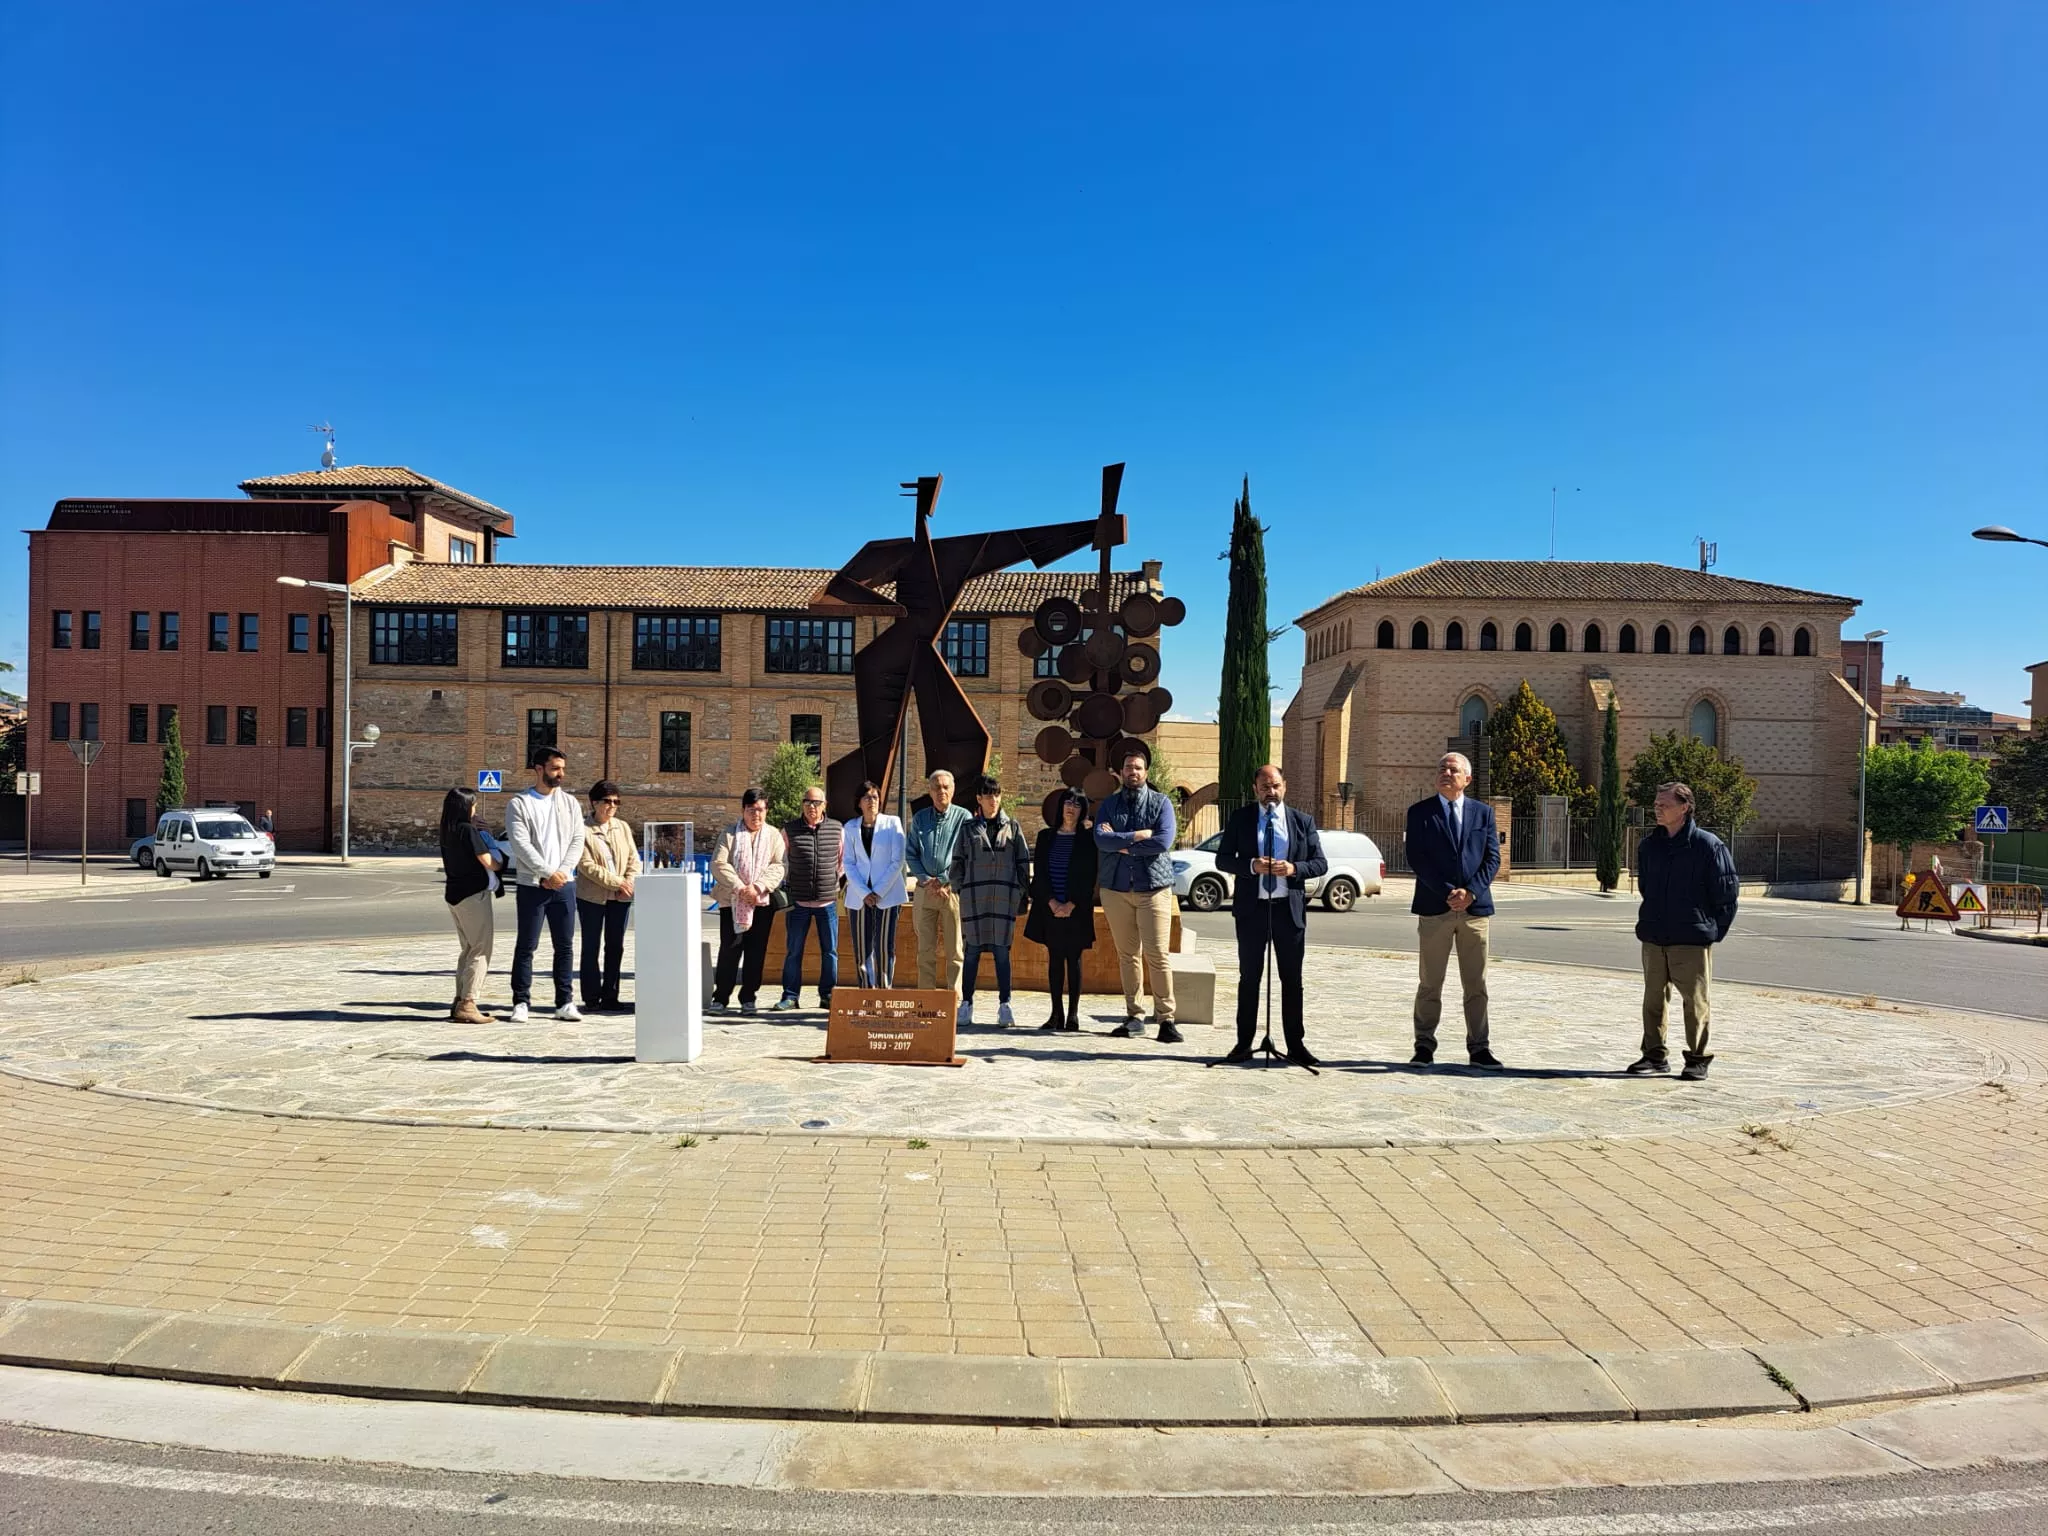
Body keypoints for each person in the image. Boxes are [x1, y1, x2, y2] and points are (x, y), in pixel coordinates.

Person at [1213, 765, 1328, 1064]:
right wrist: (1251, 865)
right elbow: (1222, 859)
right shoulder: (1241, 819)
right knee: (1249, 978)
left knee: (1292, 981)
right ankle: (1242, 1043)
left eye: (1275, 785)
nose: (1270, 791)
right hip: (1252, 911)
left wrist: (1293, 869)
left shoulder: (1301, 822)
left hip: (1287, 912)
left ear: (1285, 786)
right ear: (1255, 789)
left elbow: (1320, 863)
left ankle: (1296, 1045)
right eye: (1265, 786)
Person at [1632, 780, 1740, 1081]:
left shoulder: (1708, 846)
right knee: (1653, 1000)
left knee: (1695, 1002)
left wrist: (1712, 931)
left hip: (1691, 939)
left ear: (1685, 807)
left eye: (1664, 804)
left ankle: (1697, 1058)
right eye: (1656, 803)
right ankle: (1653, 1056)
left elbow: (1727, 893)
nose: (1658, 808)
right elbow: (1646, 888)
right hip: (1654, 936)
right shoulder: (1649, 846)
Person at [1407, 751, 1502, 1068]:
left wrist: (1471, 892)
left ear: (1467, 779)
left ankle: (1479, 1048)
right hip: (1436, 908)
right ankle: (1424, 1046)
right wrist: (1449, 892)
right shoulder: (1419, 812)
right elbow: (1417, 859)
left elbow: (1492, 859)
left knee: (1476, 984)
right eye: (1441, 768)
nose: (1445, 772)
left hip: (1475, 912)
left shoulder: (1484, 814)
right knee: (1430, 983)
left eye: (1453, 769)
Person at [1093, 748, 1180, 1042]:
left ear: (1146, 772)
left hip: (1153, 889)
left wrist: (1124, 845)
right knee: (1127, 955)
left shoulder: (1161, 804)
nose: (1133, 772)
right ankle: (1134, 1015)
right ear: (1121, 772)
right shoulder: (1109, 805)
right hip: (1116, 889)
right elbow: (1101, 839)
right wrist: (1137, 836)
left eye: (1138, 767)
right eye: (1129, 767)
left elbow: (1163, 841)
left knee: (1157, 954)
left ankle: (1166, 1018)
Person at [505, 745, 586, 1025]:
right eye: (555, 768)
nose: (560, 774)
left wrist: (562, 872)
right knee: (527, 945)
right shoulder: (520, 803)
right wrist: (546, 872)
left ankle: (564, 1002)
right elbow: (520, 844)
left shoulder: (570, 804)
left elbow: (578, 840)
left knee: (564, 946)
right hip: (533, 885)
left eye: (562, 768)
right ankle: (521, 1001)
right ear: (539, 769)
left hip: (565, 885)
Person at [950, 774, 1032, 1026]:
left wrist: (1019, 892)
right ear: (979, 799)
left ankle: (1005, 1005)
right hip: (974, 898)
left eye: (996, 795)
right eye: (987, 795)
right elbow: (957, 863)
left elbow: (1022, 862)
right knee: (972, 951)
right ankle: (967, 1004)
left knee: (1002, 953)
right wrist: (961, 889)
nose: (992, 800)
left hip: (1003, 900)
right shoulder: (967, 829)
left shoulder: (1013, 827)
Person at [1025, 789, 1098, 1032]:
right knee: (1055, 959)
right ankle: (1056, 1013)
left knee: (1074, 959)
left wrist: (1071, 904)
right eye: (1068, 802)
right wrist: (1052, 902)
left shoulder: (1087, 839)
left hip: (1075, 910)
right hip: (1051, 908)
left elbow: (1089, 876)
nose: (1071, 807)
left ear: (1082, 811)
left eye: (1077, 804)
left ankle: (1073, 1016)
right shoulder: (1046, 837)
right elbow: (1041, 874)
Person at [710, 787, 787, 1015]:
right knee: (730, 949)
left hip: (761, 903)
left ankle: (748, 997)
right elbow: (718, 863)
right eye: (752, 810)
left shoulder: (773, 835)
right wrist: (740, 887)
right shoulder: (730, 833)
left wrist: (757, 887)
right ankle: (721, 997)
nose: (757, 815)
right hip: (732, 901)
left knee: (756, 952)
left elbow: (779, 865)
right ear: (743, 810)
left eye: (761, 810)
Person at [775, 785, 843, 1011]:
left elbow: (842, 861)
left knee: (830, 951)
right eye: (808, 802)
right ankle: (790, 996)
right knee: (794, 951)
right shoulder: (789, 830)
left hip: (827, 902)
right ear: (802, 804)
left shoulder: (837, 829)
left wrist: (832, 879)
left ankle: (828, 995)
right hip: (799, 902)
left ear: (825, 805)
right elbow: (781, 861)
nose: (812, 807)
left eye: (816, 803)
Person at [439, 787, 503, 1025]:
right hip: (474, 895)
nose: (475, 809)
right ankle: (468, 1002)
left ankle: (459, 999)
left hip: (454, 894)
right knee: (480, 949)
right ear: (466, 807)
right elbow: (490, 863)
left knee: (467, 949)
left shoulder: (448, 830)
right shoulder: (468, 831)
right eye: (473, 805)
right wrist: (495, 849)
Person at [575, 779, 639, 1012]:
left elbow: (634, 858)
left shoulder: (621, 827)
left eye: (616, 802)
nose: (612, 806)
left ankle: (611, 994)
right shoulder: (581, 829)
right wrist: (617, 882)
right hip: (592, 896)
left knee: (615, 945)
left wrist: (629, 881)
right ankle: (591, 996)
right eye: (607, 801)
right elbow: (586, 865)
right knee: (591, 946)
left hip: (621, 897)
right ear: (594, 802)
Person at [906, 769, 972, 995]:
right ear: (929, 791)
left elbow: (965, 854)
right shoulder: (920, 818)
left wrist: (944, 880)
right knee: (925, 949)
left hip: (952, 892)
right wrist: (927, 880)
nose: (941, 791)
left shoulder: (964, 818)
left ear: (953, 790)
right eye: (936, 787)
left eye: (946, 787)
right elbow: (911, 853)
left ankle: (954, 999)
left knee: (955, 950)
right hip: (926, 891)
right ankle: (926, 998)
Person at [842, 780, 907, 988]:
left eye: (875, 797)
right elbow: (848, 863)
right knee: (862, 946)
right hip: (860, 896)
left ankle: (883, 990)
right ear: (859, 802)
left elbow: (898, 860)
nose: (872, 801)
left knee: (884, 945)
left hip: (887, 894)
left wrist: (878, 891)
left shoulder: (893, 823)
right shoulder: (850, 827)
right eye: (867, 797)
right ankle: (866, 991)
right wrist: (865, 892)